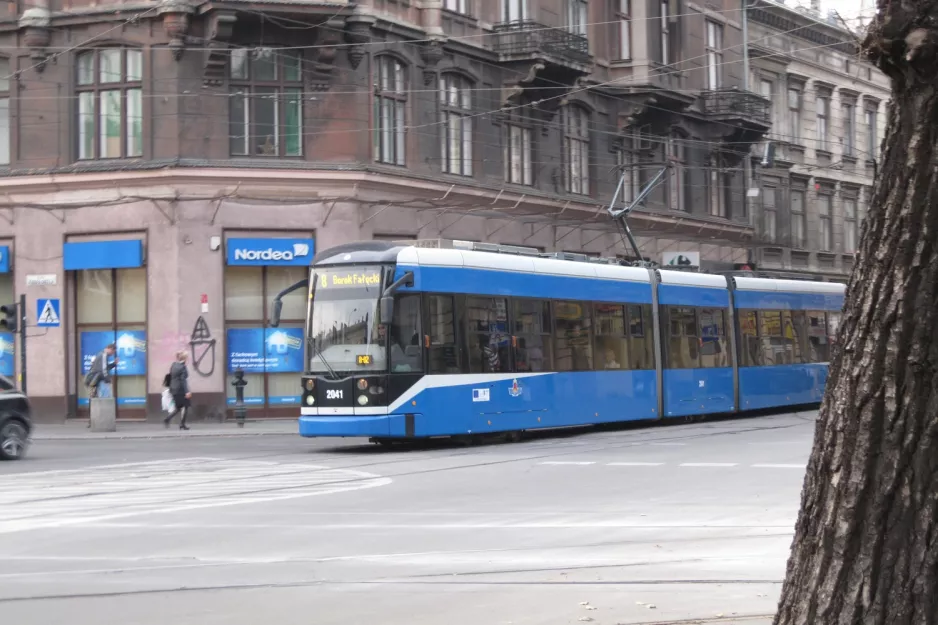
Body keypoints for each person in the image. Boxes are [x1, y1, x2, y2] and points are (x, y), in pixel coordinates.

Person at [163, 350, 192, 430]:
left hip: (173, 389)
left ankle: (168, 419)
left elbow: (172, 376)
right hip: (180, 390)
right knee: (185, 406)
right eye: (187, 357)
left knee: (178, 408)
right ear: (185, 358)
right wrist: (187, 392)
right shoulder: (183, 367)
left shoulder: (173, 365)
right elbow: (183, 380)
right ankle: (182, 424)